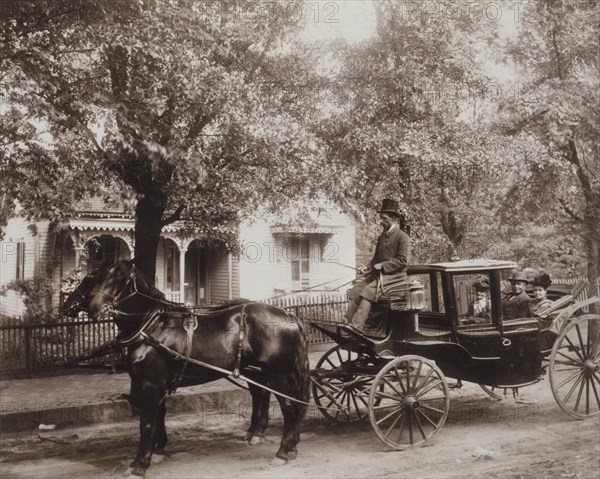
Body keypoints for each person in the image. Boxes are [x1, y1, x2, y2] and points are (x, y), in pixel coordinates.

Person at [345, 198, 411, 334]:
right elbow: (375, 259)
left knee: (368, 291)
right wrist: (367, 267)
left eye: (384, 218)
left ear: (394, 219)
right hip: (379, 276)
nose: (381, 221)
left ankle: (356, 327)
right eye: (381, 218)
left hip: (395, 278)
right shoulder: (381, 237)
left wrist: (383, 265)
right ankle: (346, 323)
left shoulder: (403, 237)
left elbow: (403, 261)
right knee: (357, 290)